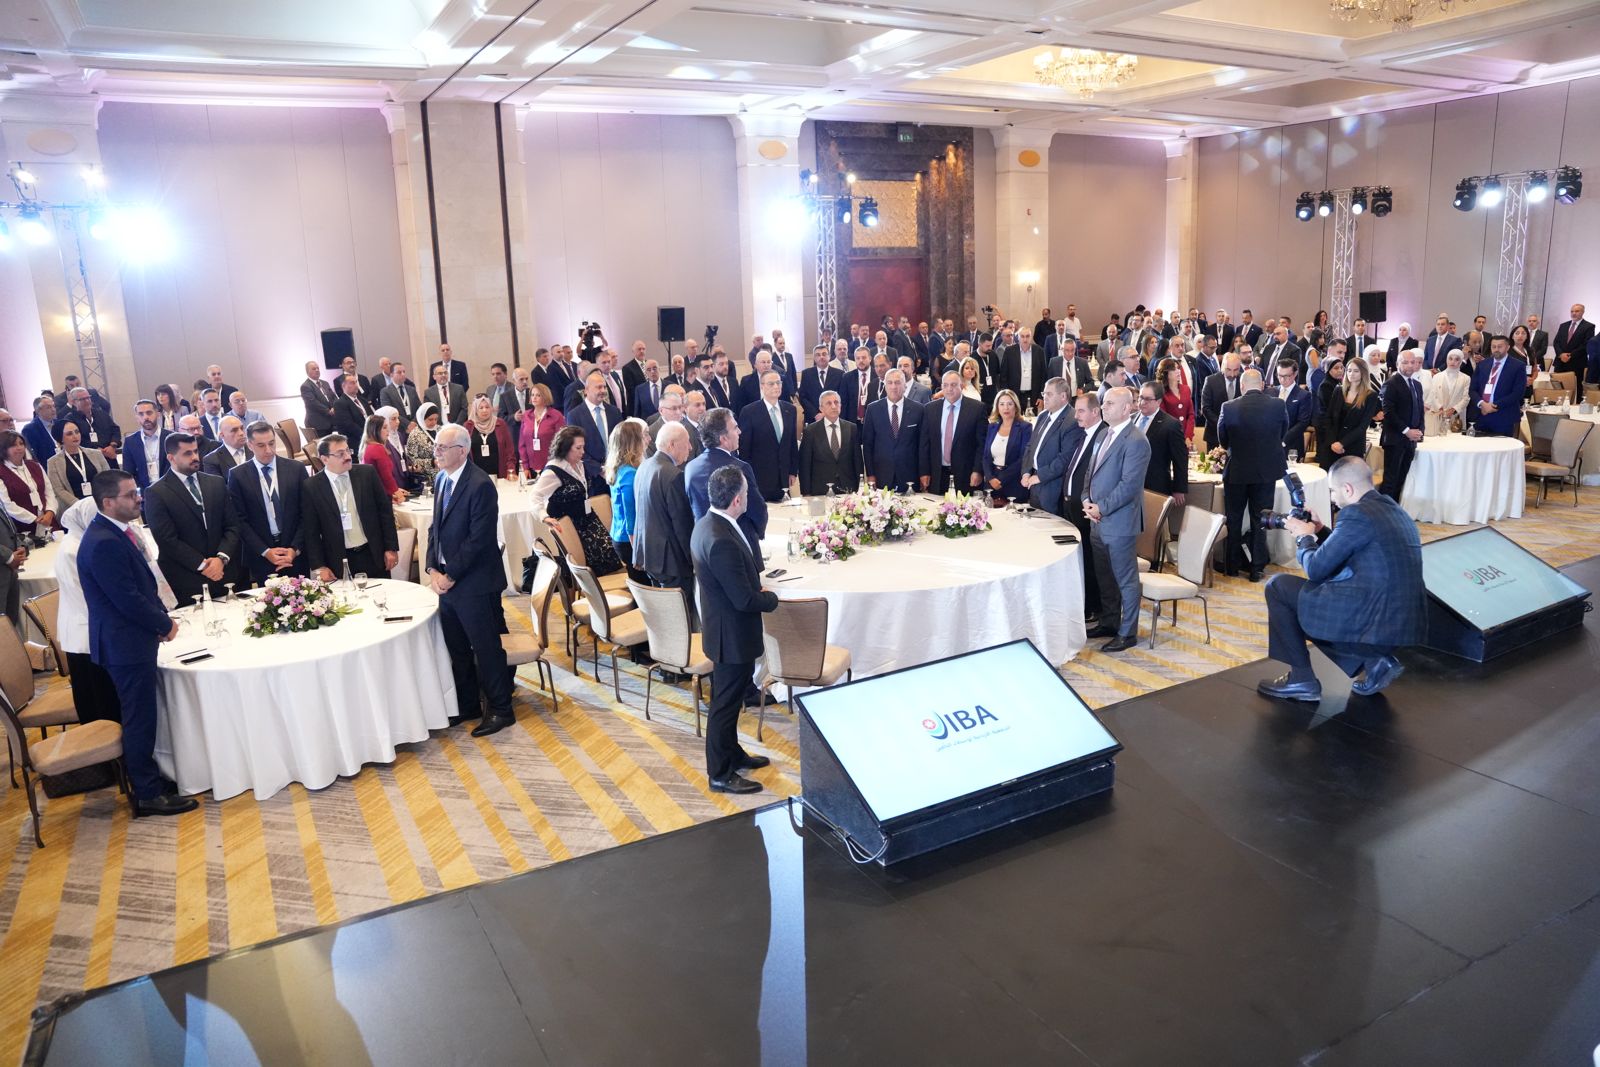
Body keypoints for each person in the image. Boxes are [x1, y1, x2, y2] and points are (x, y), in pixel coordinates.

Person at [77, 470, 195, 816]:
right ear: (108, 502)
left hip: (129, 639)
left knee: (143, 714)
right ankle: (147, 793)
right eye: (130, 495)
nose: (138, 498)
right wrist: (163, 623)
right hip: (124, 646)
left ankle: (152, 779)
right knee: (139, 718)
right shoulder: (104, 542)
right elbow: (126, 598)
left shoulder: (114, 532)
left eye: (137, 492)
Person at [1258, 457, 1423, 702]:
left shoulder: (1355, 514)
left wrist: (1304, 538)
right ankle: (1373, 661)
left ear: (1347, 489)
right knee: (1316, 597)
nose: (1332, 497)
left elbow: (1315, 569)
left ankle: (1302, 679)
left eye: (1333, 491)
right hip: (1399, 621)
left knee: (1278, 587)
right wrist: (1320, 530)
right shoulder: (1391, 508)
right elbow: (1352, 550)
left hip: (1371, 618)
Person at [690, 465, 778, 795]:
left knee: (730, 700)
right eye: (746, 492)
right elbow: (744, 600)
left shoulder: (707, 524)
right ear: (738, 499)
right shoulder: (720, 539)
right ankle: (720, 774)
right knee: (724, 706)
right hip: (731, 636)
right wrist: (772, 598)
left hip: (723, 629)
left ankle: (733, 753)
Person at [426, 424, 513, 736]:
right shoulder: (441, 478)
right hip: (448, 582)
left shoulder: (479, 485)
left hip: (475, 583)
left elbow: (479, 540)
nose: (436, 452)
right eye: (436, 446)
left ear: (462, 451)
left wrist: (450, 574)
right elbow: (434, 529)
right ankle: (468, 705)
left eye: (442, 447)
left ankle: (501, 710)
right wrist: (432, 569)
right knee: (458, 648)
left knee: (486, 648)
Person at [1083, 387, 1151, 652]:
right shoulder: (1103, 434)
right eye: (1104, 402)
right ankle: (1110, 622)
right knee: (1105, 577)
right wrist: (1086, 499)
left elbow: (1129, 486)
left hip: (1119, 522)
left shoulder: (1136, 441)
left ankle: (1127, 632)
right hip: (1097, 520)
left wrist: (1101, 507)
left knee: (1126, 580)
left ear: (1126, 408)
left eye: (1109, 403)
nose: (1103, 407)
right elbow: (1090, 472)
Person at [142, 433, 239, 607]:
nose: (195, 457)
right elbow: (167, 540)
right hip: (187, 578)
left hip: (223, 571)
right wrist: (203, 565)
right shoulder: (156, 492)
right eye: (187, 453)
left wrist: (220, 559)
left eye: (195, 451)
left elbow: (232, 525)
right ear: (171, 458)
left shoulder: (216, 483)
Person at [55, 496, 127, 724]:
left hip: (87, 628)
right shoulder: (76, 549)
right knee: (100, 704)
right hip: (86, 634)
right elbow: (94, 595)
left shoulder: (77, 541)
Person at [1218, 369, 1289, 582]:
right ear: (1262, 385)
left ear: (1241, 386)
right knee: (1261, 519)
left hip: (1237, 470)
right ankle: (1256, 569)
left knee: (1234, 519)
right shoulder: (1278, 405)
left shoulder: (1228, 407)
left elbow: (1223, 439)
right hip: (1266, 470)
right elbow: (1282, 432)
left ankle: (1231, 566)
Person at [303, 433, 399, 583]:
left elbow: (385, 513)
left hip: (372, 553)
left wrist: (391, 548)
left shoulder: (367, 474)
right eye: (340, 454)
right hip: (338, 560)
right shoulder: (312, 486)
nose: (348, 456)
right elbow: (311, 531)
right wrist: (319, 566)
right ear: (325, 459)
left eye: (348, 451)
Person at [530, 426, 622, 576]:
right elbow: (535, 496)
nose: (583, 452)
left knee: (613, 551)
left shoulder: (579, 464)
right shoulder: (554, 471)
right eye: (578, 448)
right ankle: (598, 586)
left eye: (583, 447)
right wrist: (544, 517)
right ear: (565, 448)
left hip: (587, 518)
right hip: (569, 523)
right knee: (603, 556)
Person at [229, 420, 308, 583]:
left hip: (295, 552)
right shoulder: (238, 475)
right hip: (262, 555)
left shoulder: (296, 469)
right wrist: (265, 551)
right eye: (261, 445)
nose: (269, 450)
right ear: (250, 445)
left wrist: (294, 549)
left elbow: (307, 513)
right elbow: (239, 520)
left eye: (271, 443)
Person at [685, 408, 767, 560]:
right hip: (738, 545)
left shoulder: (690, 468)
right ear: (723, 438)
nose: (740, 432)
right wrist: (758, 533)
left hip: (703, 545)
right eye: (735, 428)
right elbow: (757, 510)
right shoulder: (740, 468)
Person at [634, 421, 697, 617]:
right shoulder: (673, 475)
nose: (690, 448)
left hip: (649, 556)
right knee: (680, 618)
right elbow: (682, 526)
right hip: (671, 562)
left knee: (662, 616)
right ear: (672, 444)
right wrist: (694, 560)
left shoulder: (644, 467)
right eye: (687, 442)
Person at [736, 371, 798, 503]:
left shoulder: (790, 409)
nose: (776, 386)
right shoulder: (749, 411)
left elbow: (792, 443)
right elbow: (744, 449)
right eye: (771, 383)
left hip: (783, 478)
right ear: (762, 386)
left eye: (778, 383)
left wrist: (793, 471)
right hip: (760, 477)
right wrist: (748, 477)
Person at [919, 371, 985, 494]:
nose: (949, 389)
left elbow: (981, 445)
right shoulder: (930, 409)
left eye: (954, 385)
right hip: (937, 474)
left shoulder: (977, 409)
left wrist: (977, 470)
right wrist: (924, 472)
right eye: (945, 385)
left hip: (966, 475)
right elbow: (924, 444)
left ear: (962, 386)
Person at [1018, 378, 1075, 515]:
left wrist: (1040, 476)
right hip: (1034, 483)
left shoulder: (1072, 420)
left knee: (1052, 525)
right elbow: (1030, 446)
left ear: (1063, 396)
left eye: (1049, 394)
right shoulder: (1043, 415)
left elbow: (1065, 458)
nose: (1045, 397)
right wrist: (1026, 472)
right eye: (1044, 393)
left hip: (1054, 487)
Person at [862, 370, 923, 494]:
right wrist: (870, 474)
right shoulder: (873, 409)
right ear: (885, 386)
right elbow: (868, 445)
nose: (894, 387)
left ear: (905, 385)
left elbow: (922, 445)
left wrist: (924, 473)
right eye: (890, 383)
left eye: (897, 382)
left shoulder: (918, 409)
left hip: (910, 475)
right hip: (882, 474)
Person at [1379, 350, 1427, 501]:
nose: (1410, 365)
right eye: (1405, 362)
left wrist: (1420, 431)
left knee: (1401, 480)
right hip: (1395, 439)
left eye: (1413, 362)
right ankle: (1384, 510)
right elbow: (1388, 412)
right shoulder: (1390, 383)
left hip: (1411, 441)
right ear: (1397, 363)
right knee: (1390, 481)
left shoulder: (1417, 385)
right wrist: (1406, 431)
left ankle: (1394, 510)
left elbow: (1420, 410)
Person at [1317, 355, 1380, 469]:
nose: (1351, 374)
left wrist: (1342, 443)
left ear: (1363, 373)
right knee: (1328, 477)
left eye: (1356, 371)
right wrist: (1333, 442)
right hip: (1332, 444)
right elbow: (1328, 418)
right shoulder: (1338, 390)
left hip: (1353, 446)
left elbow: (1362, 426)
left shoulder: (1370, 395)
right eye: (1349, 370)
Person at [1136, 382, 1187, 519]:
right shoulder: (1131, 419)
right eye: (1141, 397)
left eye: (1148, 399)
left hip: (1155, 485)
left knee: (1153, 524)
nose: (1142, 402)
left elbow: (1180, 459)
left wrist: (1179, 488)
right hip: (1131, 485)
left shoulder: (1170, 424)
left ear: (1158, 401)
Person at [798, 390, 863, 496]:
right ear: (821, 408)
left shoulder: (851, 428)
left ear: (841, 405)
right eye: (829, 403)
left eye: (836, 402)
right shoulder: (810, 431)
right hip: (820, 489)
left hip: (848, 488)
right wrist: (806, 492)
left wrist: (860, 487)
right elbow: (805, 464)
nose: (833, 406)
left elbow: (857, 460)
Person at [605, 420, 648, 580]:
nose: (648, 440)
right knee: (643, 586)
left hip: (619, 535)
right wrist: (638, 553)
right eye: (644, 436)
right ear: (633, 442)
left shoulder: (619, 469)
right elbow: (631, 517)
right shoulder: (629, 474)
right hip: (628, 541)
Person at [565, 371, 625, 485]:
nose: (603, 390)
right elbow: (574, 448)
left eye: (604, 387)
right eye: (598, 387)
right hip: (591, 477)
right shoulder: (574, 415)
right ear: (586, 390)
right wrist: (599, 470)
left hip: (617, 473)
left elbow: (622, 441)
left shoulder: (614, 412)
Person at [1466, 334, 1526, 437]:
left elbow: (1518, 393)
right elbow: (1472, 389)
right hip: (1481, 414)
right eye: (1493, 347)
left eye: (1500, 346)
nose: (1496, 349)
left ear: (1507, 347)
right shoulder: (1482, 364)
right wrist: (1482, 404)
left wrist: (1493, 406)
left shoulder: (1517, 366)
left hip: (1504, 415)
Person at [0, 429, 57, 537]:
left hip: (48, 522)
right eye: (13, 445)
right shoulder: (1, 472)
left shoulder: (35, 465)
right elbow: (7, 505)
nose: (19, 448)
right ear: (3, 449)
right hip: (22, 527)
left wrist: (50, 512)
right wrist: (34, 519)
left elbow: (49, 492)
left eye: (21, 443)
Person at [981, 389, 1032, 504]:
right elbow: (986, 456)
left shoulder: (1025, 427)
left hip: (1014, 483)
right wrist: (990, 478)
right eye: (1002, 404)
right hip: (992, 483)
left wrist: (1000, 479)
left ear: (1016, 407)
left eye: (1010, 404)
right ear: (997, 407)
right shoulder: (992, 427)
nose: (1006, 408)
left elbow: (1023, 458)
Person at [47, 420, 109, 505]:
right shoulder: (53, 462)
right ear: (60, 438)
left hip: (101, 502)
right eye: (69, 434)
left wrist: (100, 500)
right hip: (74, 506)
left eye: (77, 432)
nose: (75, 436)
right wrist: (80, 505)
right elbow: (58, 489)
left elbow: (108, 479)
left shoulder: (96, 454)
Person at [54, 387, 121, 462]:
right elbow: (74, 440)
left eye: (88, 398)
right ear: (73, 402)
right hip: (87, 459)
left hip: (109, 456)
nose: (87, 401)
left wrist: (112, 446)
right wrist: (97, 451)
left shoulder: (101, 414)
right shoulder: (70, 420)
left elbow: (115, 430)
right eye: (82, 399)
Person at [121, 399, 171, 492]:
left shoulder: (171, 437)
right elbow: (128, 473)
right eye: (141, 414)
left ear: (158, 414)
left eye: (149, 413)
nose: (145, 417)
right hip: (144, 492)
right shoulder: (130, 442)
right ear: (137, 417)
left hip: (170, 489)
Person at [518, 383, 565, 475]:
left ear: (545, 396)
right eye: (532, 395)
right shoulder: (526, 415)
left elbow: (561, 443)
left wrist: (556, 465)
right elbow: (522, 443)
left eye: (538, 395)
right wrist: (525, 466)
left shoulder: (556, 415)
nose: (534, 398)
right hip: (531, 466)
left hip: (551, 465)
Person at [467, 394, 516, 480]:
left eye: (487, 407)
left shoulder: (500, 424)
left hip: (499, 475)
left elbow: (510, 451)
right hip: (476, 477)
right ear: (475, 410)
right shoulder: (468, 426)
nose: (485, 410)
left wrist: (511, 469)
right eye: (481, 408)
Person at [362, 413, 409, 503]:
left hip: (376, 493)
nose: (388, 430)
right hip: (381, 497)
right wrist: (397, 492)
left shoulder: (368, 446)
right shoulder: (377, 448)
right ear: (375, 430)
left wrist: (394, 491)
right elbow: (386, 476)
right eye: (384, 428)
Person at [1199, 353, 1242, 451]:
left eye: (1236, 370)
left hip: (1239, 435)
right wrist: (1222, 424)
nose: (1232, 374)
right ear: (1223, 367)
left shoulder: (1243, 379)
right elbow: (1206, 408)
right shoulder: (1211, 381)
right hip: (1214, 434)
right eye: (1228, 370)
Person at [1273, 357, 1314, 457]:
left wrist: (1282, 440)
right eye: (1280, 375)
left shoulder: (1304, 395)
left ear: (1295, 374)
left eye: (1287, 376)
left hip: (1291, 445)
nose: (1282, 379)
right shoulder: (1271, 392)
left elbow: (1303, 422)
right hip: (1270, 443)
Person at [1423, 348, 1469, 435]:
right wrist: (1440, 408)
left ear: (1461, 361)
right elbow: (1433, 394)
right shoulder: (1437, 376)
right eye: (1450, 358)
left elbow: (1466, 398)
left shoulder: (1466, 378)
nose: (1453, 362)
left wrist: (1453, 410)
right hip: (1439, 414)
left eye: (1457, 359)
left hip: (1456, 417)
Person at [404, 403, 440, 489]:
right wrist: (432, 463)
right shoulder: (415, 435)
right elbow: (412, 461)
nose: (434, 422)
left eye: (436, 419)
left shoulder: (440, 430)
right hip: (427, 480)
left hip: (444, 474)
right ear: (422, 417)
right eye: (430, 419)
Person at [300, 360, 339, 437]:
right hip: (318, 424)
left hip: (331, 422)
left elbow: (334, 397)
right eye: (314, 369)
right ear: (307, 371)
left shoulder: (325, 383)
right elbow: (312, 403)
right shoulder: (305, 386)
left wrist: (334, 407)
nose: (317, 370)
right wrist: (328, 411)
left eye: (318, 368)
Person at [332, 372, 374, 442]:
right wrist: (366, 436)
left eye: (356, 382)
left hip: (370, 436)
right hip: (355, 440)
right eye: (352, 383)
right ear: (343, 386)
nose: (356, 385)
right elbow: (349, 425)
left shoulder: (362, 400)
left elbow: (371, 417)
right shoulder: (340, 403)